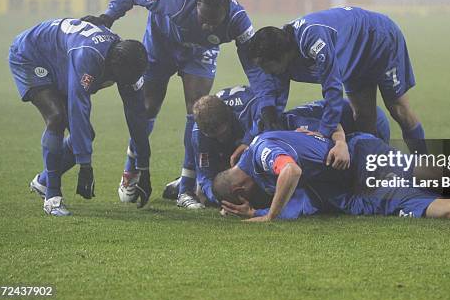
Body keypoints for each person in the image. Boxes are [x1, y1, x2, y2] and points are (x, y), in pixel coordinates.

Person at [81, 0, 276, 199]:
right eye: (204, 19)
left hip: (199, 54)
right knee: (148, 107)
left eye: (214, 23)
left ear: (227, 11)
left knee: (197, 109)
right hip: (161, 44)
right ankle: (132, 169)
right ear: (196, 7)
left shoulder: (239, 20)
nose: (207, 27)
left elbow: (253, 66)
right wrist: (108, 17)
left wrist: (266, 101)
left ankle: (187, 185)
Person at [214, 131, 450, 223]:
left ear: (240, 186)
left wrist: (266, 216)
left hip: (367, 183)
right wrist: (341, 137)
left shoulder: (266, 154)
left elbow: (291, 174)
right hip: (368, 162)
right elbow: (327, 119)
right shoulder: (267, 141)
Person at [163, 84, 390, 209]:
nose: (220, 139)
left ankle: (421, 173)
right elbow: (207, 174)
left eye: (223, 133)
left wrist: (340, 143)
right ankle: (184, 183)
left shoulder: (266, 119)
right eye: (215, 136)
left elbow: (329, 123)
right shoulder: (200, 132)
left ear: (231, 120)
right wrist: (220, 197)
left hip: (363, 126)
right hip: (341, 146)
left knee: (384, 184)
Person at [8, 18, 151, 216]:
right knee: (57, 117)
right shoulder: (89, 57)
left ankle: (43, 182)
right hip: (30, 54)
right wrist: (86, 166)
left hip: (58, 58)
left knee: (84, 135)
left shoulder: (128, 63)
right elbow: (78, 107)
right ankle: (52, 197)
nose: (128, 83)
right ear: (114, 68)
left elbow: (137, 116)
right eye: (124, 80)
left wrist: (144, 168)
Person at [247, 6, 426, 154]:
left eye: (266, 66)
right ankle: (373, 170)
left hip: (378, 39)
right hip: (352, 55)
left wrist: (324, 133)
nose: (265, 72)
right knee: (363, 116)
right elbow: (274, 95)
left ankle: (426, 166)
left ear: (282, 56)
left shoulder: (312, 38)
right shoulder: (282, 55)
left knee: (398, 109)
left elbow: (332, 88)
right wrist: (268, 122)